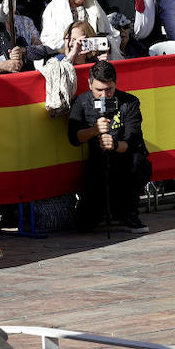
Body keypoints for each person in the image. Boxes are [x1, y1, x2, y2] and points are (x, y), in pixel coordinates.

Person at [67, 59, 151, 233]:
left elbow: (132, 140)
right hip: (97, 161)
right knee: (83, 225)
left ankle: (129, 214)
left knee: (139, 163)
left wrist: (113, 144)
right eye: (99, 90)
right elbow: (74, 137)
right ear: (90, 84)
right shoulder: (81, 102)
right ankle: (103, 213)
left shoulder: (129, 102)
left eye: (109, 90)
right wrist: (94, 130)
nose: (104, 95)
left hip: (125, 159)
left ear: (116, 84)